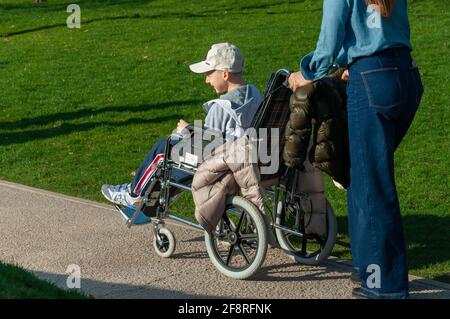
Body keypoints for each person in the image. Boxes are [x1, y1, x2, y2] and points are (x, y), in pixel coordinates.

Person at [289, 0, 423, 299]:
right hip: (404, 74)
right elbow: (383, 30)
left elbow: (331, 35)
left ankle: (383, 286)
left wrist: (310, 72)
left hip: (372, 80)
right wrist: (351, 61)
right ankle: (367, 265)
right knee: (362, 177)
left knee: (371, 185)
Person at [101, 43, 263, 209]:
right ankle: (167, 190)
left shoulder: (221, 106)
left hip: (223, 164)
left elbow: (208, 147)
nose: (206, 80)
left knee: (164, 147)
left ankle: (133, 194)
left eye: (209, 74)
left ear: (225, 74)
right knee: (179, 143)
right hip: (253, 159)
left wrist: (188, 131)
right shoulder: (255, 95)